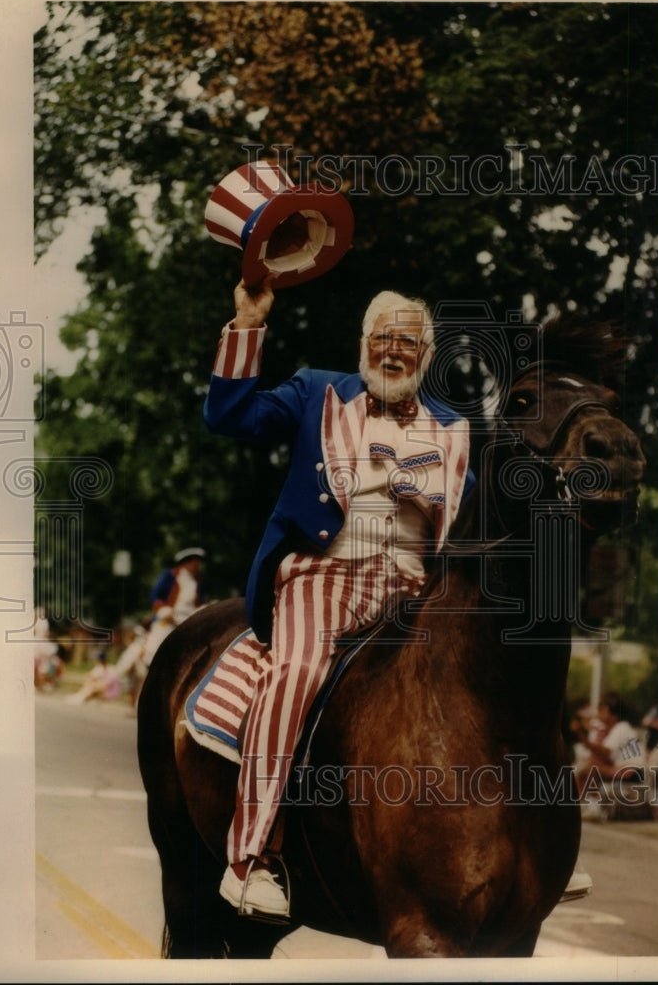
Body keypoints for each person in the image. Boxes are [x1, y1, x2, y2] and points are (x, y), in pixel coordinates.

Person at [203, 279, 474, 917]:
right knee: (294, 674)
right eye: (383, 338)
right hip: (326, 575)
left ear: (426, 353)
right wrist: (247, 324)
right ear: (363, 344)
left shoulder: (455, 428)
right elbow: (228, 416)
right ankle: (249, 859)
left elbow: (471, 525)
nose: (393, 350)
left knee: (493, 666)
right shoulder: (317, 392)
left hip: (416, 591)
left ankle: (533, 845)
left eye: (407, 341)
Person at [149, 547, 207, 625]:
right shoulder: (170, 575)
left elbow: (200, 602)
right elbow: (155, 595)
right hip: (169, 618)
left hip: (190, 620)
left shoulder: (199, 581)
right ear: (185, 563)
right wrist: (164, 612)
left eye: (198, 563)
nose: (196, 565)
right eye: (193, 562)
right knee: (159, 636)